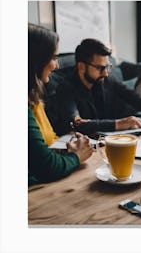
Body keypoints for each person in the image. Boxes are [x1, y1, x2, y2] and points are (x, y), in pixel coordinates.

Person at [52, 39, 141, 136]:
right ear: (81, 66)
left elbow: (136, 99)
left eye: (108, 67)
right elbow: (77, 124)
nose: (105, 72)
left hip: (110, 140)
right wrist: (118, 124)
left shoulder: (107, 80)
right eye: (100, 68)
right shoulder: (66, 88)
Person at [28, 23, 94, 186]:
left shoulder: (32, 97)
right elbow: (48, 168)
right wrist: (77, 156)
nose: (57, 65)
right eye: (54, 58)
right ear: (36, 59)